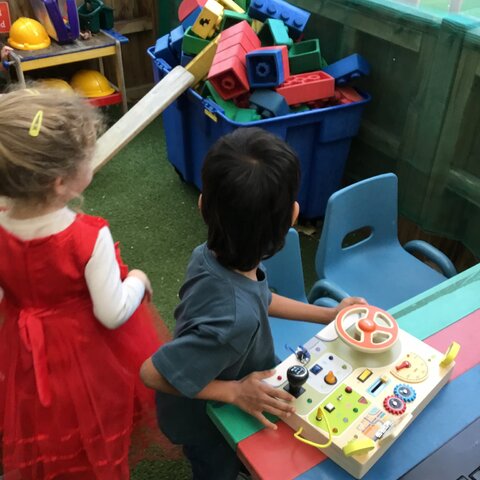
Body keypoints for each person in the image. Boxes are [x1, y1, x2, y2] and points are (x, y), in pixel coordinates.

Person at [140, 127, 366, 480]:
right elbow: (152, 373)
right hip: (208, 420)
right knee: (216, 471)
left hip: (217, 384)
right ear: (292, 218)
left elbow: (260, 297)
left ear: (202, 206)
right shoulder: (234, 319)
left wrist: (329, 315)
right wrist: (234, 392)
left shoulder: (211, 254)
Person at [0, 87, 166, 479]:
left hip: (23, 350)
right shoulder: (87, 236)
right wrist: (138, 281)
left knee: (37, 418)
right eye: (86, 158)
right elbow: (112, 313)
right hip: (85, 355)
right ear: (60, 182)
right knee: (92, 422)